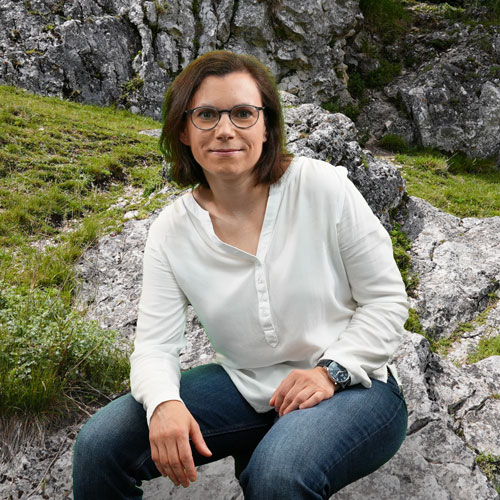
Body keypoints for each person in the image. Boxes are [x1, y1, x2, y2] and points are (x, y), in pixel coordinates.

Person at [73, 50, 409, 500]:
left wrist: (329, 373)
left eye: (243, 113)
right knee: (100, 446)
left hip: (355, 385)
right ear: (183, 130)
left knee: (278, 474)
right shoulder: (171, 231)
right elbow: (154, 345)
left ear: (266, 125)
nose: (225, 130)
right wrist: (164, 403)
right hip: (246, 385)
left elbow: (386, 301)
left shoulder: (322, 187)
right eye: (207, 114)